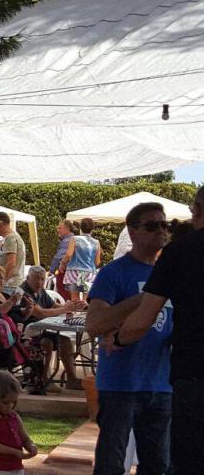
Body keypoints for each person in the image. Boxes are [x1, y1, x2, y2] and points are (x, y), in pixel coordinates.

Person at [116, 189, 204, 474]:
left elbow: (145, 316)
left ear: (197, 209)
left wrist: (117, 338)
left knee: (190, 461)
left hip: (195, 373)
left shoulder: (181, 251)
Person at [90, 202, 175, 474]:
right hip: (120, 383)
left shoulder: (171, 273)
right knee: (111, 464)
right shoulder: (113, 273)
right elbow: (94, 323)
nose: (161, 231)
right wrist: (145, 298)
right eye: (151, 226)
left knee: (157, 465)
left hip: (161, 383)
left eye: (165, 225)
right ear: (132, 231)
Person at [20, 266, 85, 392]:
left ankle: (71, 379)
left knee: (65, 341)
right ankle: (44, 379)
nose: (40, 282)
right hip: (28, 332)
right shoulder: (24, 292)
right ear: (28, 278)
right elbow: (40, 313)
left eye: (42, 279)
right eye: (36, 279)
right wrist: (65, 309)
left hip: (42, 330)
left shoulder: (41, 291)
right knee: (47, 343)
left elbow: (53, 305)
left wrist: (72, 307)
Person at [0, 370, 38, 474]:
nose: (10, 406)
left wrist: (31, 446)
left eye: (13, 401)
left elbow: (24, 438)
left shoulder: (15, 417)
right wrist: (15, 452)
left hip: (16, 466)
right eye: (5, 402)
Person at [60, 217, 102, 302]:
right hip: (89, 273)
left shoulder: (74, 239)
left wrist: (62, 263)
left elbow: (68, 255)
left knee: (75, 300)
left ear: (80, 228)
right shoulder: (96, 242)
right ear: (92, 229)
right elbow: (97, 262)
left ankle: (76, 310)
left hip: (74, 272)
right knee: (86, 301)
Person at [0, 212, 26, 291]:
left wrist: (1, 281)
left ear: (0, 223)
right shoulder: (16, 236)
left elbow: (11, 263)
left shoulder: (10, 238)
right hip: (15, 284)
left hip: (10, 285)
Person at [49, 220, 75, 298]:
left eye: (60, 228)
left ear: (67, 229)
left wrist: (51, 271)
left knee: (63, 294)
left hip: (64, 271)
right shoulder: (74, 239)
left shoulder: (67, 241)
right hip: (74, 272)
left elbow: (59, 257)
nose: (58, 230)